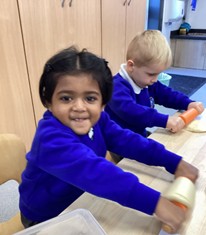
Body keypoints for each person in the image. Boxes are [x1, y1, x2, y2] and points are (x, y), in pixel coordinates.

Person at [19, 46, 198, 233]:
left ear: (102, 102)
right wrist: (156, 203)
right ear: (48, 101)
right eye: (66, 98)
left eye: (90, 98)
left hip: (83, 199)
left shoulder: (98, 120)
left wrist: (173, 162)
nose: (79, 107)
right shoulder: (50, 139)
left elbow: (129, 141)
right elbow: (97, 174)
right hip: (47, 217)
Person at [105, 30, 204, 138]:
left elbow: (167, 94)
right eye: (151, 74)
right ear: (131, 66)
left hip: (138, 135)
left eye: (158, 74)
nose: (155, 80)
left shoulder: (146, 82)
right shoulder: (115, 88)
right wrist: (165, 120)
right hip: (120, 141)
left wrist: (187, 103)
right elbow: (133, 112)